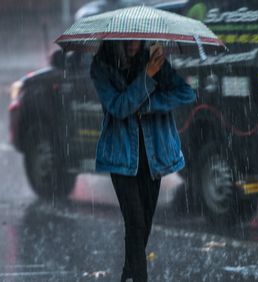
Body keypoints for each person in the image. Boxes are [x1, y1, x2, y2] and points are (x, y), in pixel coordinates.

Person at [90, 40, 196, 282]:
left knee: (143, 225)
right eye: (125, 40)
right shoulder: (102, 66)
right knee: (135, 222)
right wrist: (147, 77)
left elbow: (186, 92)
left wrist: (150, 103)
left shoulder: (154, 60)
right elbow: (118, 107)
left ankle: (128, 274)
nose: (131, 45)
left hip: (153, 157)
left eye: (136, 40)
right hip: (121, 157)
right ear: (114, 40)